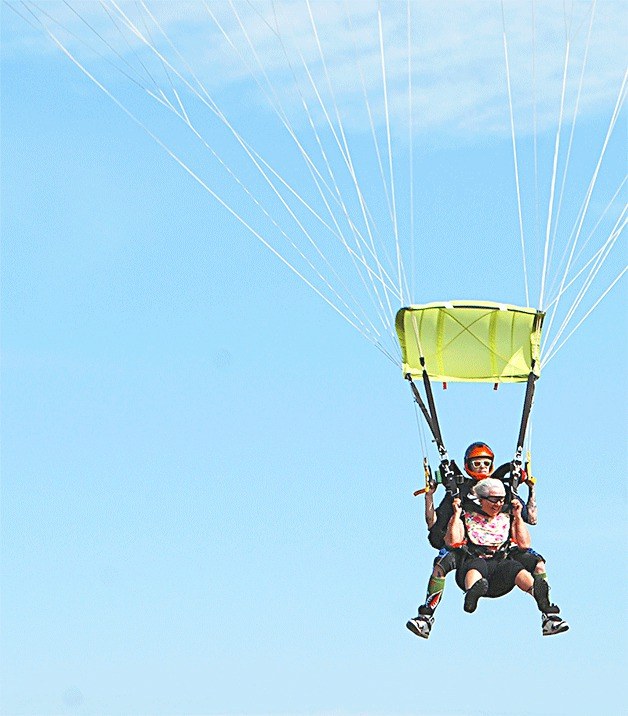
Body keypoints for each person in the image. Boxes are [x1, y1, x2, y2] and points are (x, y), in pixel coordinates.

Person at [406, 443, 566, 639]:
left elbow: (530, 523)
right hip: (472, 558)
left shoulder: (505, 493)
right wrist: (432, 497)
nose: (497, 503)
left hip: (503, 560)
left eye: (485, 463)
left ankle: (547, 611)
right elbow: (436, 528)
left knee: (533, 564)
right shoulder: (459, 496)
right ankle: (427, 616)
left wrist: (529, 492)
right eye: (477, 463)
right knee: (445, 564)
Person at [445, 478, 569, 635]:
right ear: (481, 500)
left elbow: (524, 545)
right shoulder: (466, 514)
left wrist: (517, 516)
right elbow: (453, 541)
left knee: (514, 567)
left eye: (501, 500)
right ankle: (471, 596)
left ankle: (541, 599)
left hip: (500, 572)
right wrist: (455, 515)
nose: (497, 504)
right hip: (475, 564)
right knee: (476, 566)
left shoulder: (506, 516)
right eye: (493, 500)